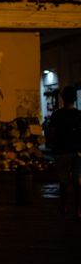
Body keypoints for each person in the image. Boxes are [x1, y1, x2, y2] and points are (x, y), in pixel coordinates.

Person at [48, 85, 81, 218]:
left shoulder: (57, 115)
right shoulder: (79, 115)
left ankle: (64, 206)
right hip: (78, 152)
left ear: (62, 98)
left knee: (63, 181)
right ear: (75, 98)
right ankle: (79, 209)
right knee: (78, 181)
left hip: (62, 151)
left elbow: (51, 134)